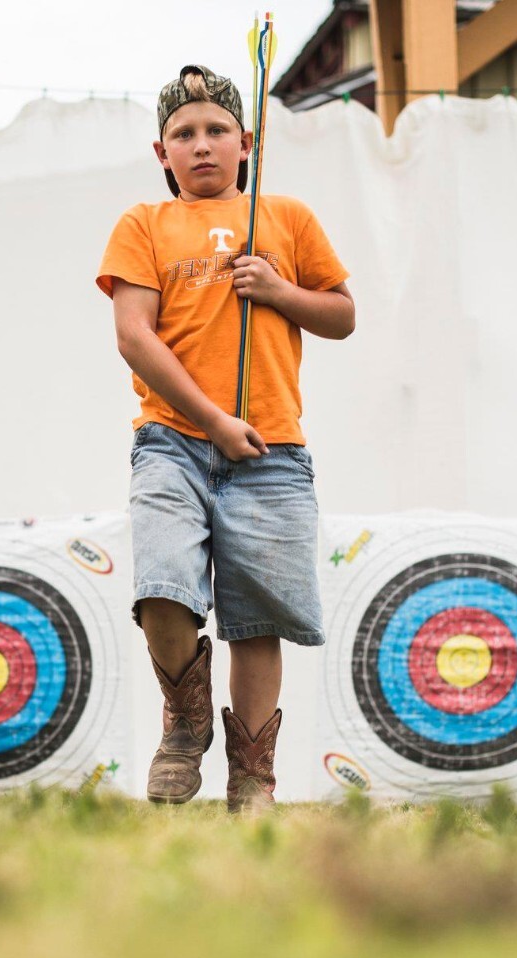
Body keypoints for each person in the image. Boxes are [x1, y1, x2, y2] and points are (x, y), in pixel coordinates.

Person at [96, 64, 355, 811]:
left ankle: (252, 777)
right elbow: (134, 336)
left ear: (247, 143)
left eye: (217, 130)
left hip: (272, 451)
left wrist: (277, 290)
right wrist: (212, 421)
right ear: (162, 152)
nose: (202, 144)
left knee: (256, 618)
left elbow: (342, 315)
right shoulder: (143, 224)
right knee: (161, 586)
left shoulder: (286, 217)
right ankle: (185, 722)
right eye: (184, 134)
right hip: (172, 441)